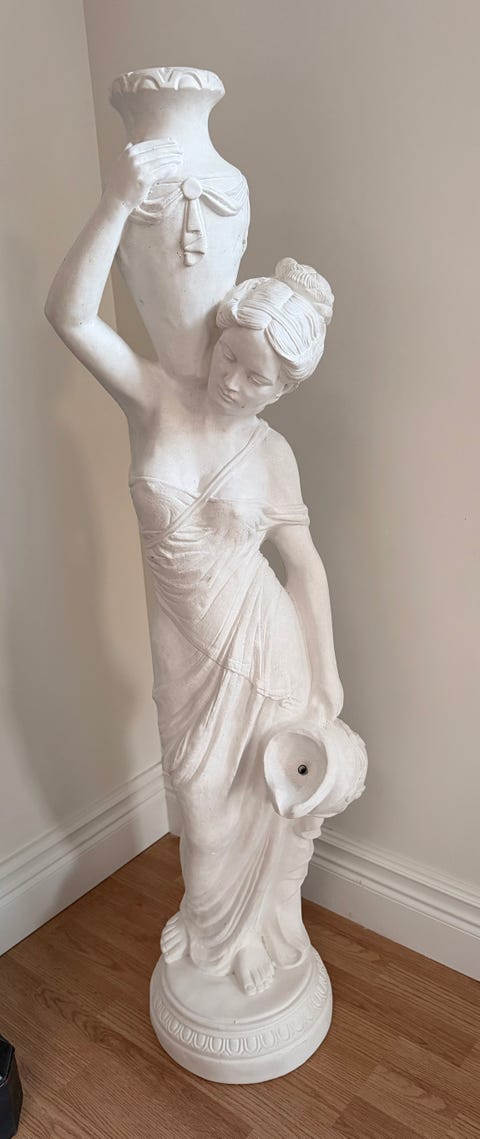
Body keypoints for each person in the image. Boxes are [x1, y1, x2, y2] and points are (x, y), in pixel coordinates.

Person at [45, 141, 343, 996]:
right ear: (218, 337)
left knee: (262, 802)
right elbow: (69, 316)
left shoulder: (273, 453)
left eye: (261, 378)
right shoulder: (154, 400)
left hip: (265, 649)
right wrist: (115, 201)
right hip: (185, 654)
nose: (237, 381)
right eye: (232, 357)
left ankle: (259, 934)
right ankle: (216, 935)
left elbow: (304, 567)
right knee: (201, 808)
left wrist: (327, 677)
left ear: (282, 390)